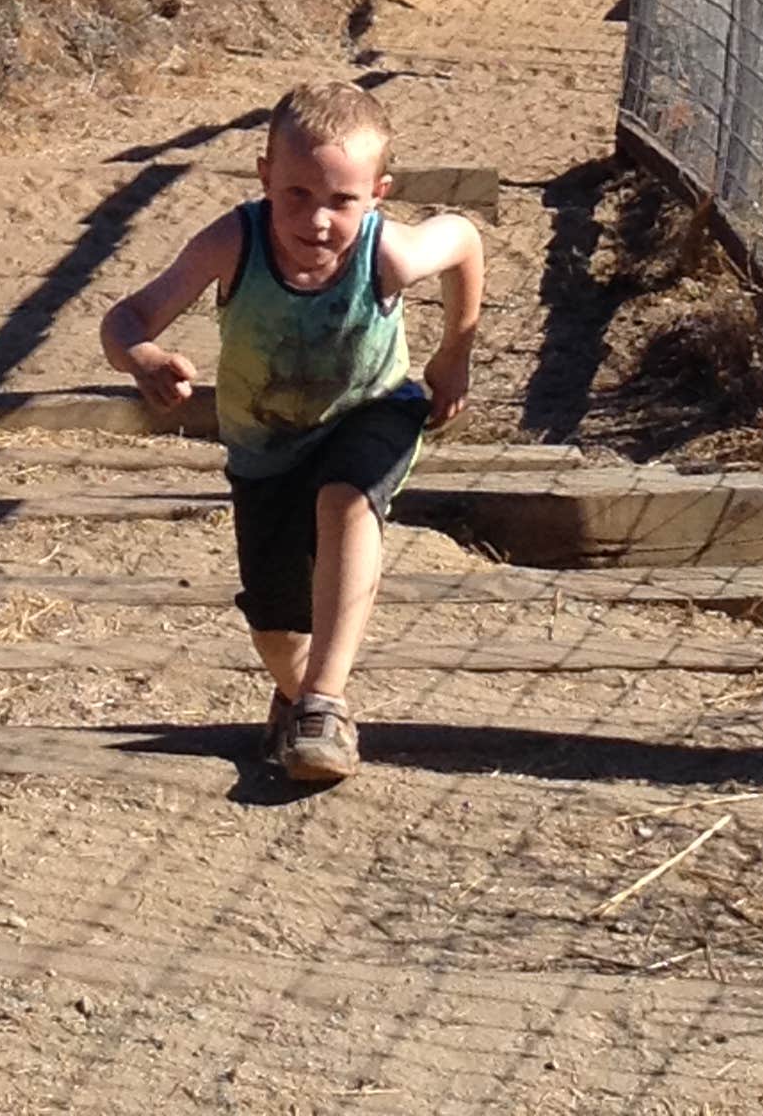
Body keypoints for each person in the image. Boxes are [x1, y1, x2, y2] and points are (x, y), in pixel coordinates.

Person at [99, 79, 484, 788]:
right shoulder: (232, 243)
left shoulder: (385, 254)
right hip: (266, 448)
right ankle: (299, 691)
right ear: (264, 178)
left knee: (344, 499)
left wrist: (453, 353)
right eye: (297, 195)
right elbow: (127, 318)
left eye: (342, 201)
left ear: (377, 195)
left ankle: (325, 704)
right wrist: (144, 358)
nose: (316, 222)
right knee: (277, 629)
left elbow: (462, 239)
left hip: (374, 407)